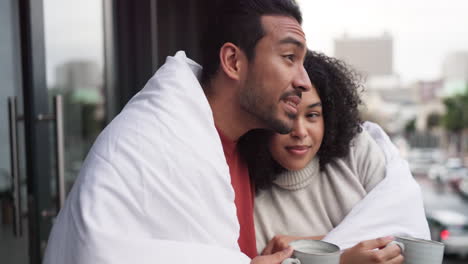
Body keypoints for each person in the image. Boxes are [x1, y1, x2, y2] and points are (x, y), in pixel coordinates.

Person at [43, 1, 311, 264]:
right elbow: (94, 252)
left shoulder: (246, 145)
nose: (304, 81)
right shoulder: (153, 143)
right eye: (289, 58)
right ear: (233, 62)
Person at [239, 51, 430, 264]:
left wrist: (313, 247)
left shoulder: (357, 151)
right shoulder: (244, 192)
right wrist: (342, 259)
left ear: (328, 117)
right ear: (261, 117)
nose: (300, 131)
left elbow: (408, 235)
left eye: (312, 115)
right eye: (288, 115)